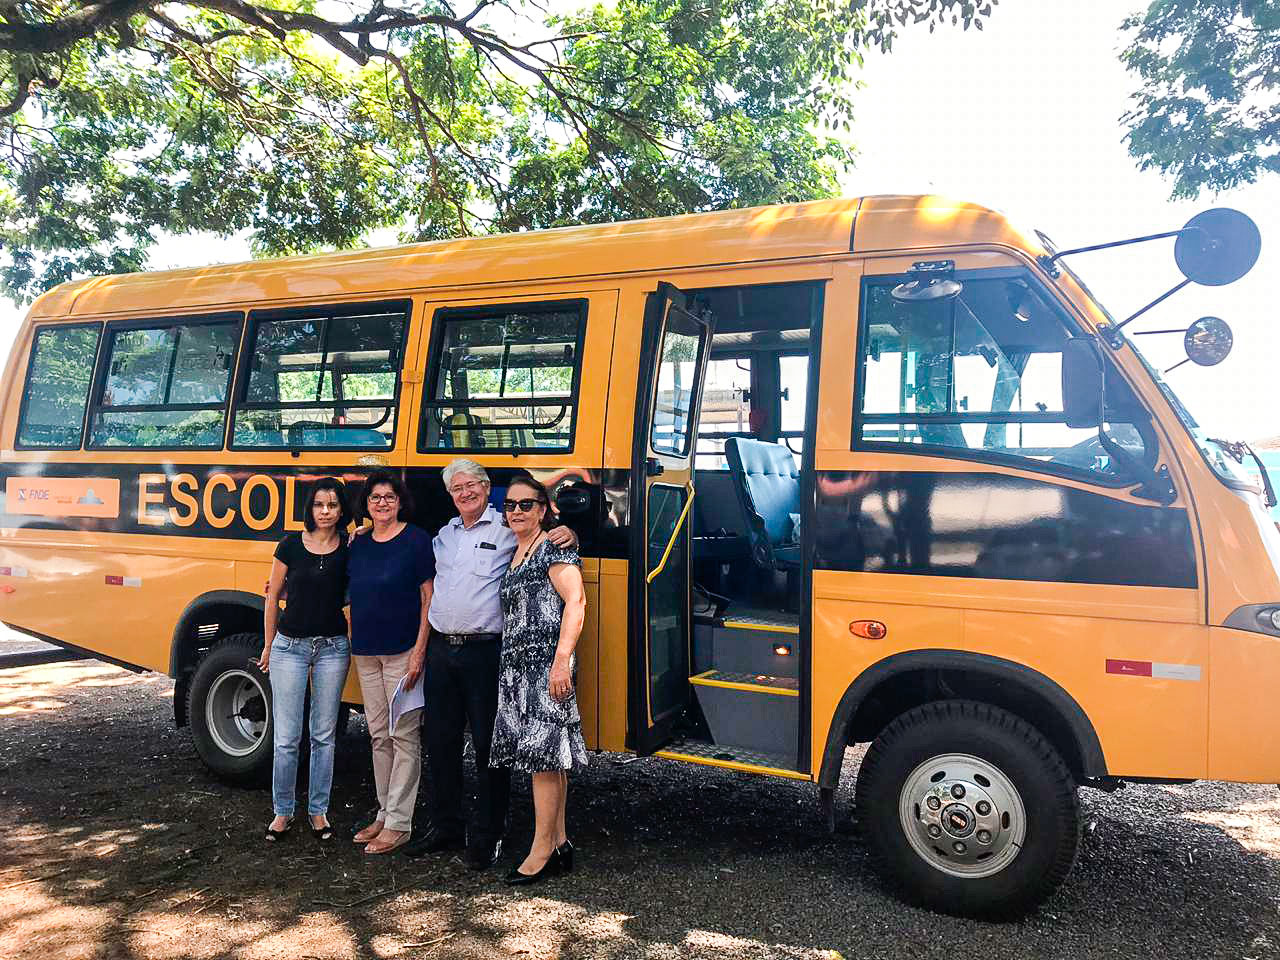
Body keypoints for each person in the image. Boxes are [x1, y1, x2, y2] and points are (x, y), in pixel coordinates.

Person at [403, 459, 576, 870]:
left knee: (489, 747)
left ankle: (490, 834)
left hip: (486, 652)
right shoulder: (442, 536)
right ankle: (446, 826)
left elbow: (548, 543)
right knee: (440, 743)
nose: (465, 493)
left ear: (486, 488)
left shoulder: (508, 529)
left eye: (472, 485)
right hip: (443, 651)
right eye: (457, 488)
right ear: (450, 494)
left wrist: (570, 530)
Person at [489, 474, 588, 885]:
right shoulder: (516, 549)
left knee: (542, 760)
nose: (516, 511)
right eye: (510, 505)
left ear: (545, 510)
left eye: (527, 505)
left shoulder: (553, 548)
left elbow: (576, 602)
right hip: (517, 668)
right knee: (549, 758)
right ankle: (560, 841)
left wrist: (561, 660)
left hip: (546, 666)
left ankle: (540, 849)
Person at [258, 477, 351, 843]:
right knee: (286, 738)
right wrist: (268, 645)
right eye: (319, 505)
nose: (325, 511)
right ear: (309, 508)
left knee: (324, 735)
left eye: (332, 505)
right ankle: (282, 811)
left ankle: (318, 811)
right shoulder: (290, 545)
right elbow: (272, 598)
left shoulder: (350, 545)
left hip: (332, 648)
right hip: (289, 648)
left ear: (342, 509)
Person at [348, 469, 435, 855]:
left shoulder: (416, 541)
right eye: (374, 497)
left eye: (388, 497)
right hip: (367, 652)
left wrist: (419, 652)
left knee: (404, 735)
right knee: (378, 735)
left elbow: (428, 599)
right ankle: (384, 812)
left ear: (400, 502)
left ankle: (400, 823)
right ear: (366, 505)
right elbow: (349, 590)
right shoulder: (359, 542)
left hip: (403, 653)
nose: (381, 503)